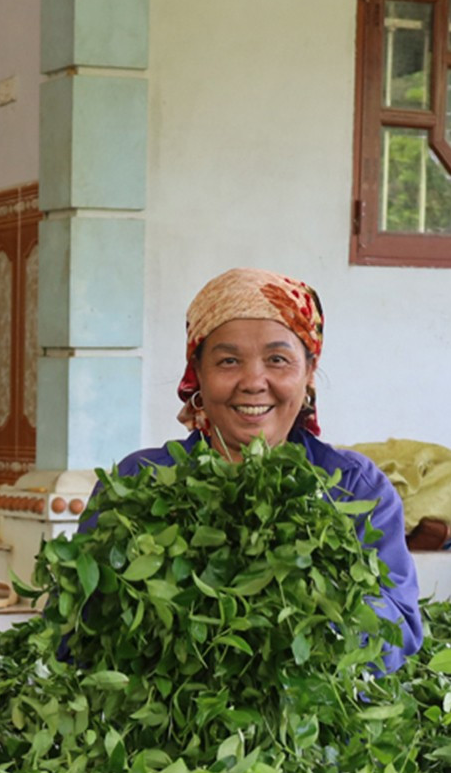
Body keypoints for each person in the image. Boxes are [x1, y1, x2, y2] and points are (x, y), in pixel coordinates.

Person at [107, 268, 424, 672]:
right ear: (198, 373)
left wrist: (308, 622)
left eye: (278, 359)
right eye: (228, 361)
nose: (254, 382)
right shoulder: (139, 482)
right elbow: (77, 633)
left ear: (309, 373)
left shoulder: (354, 488)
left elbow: (399, 622)